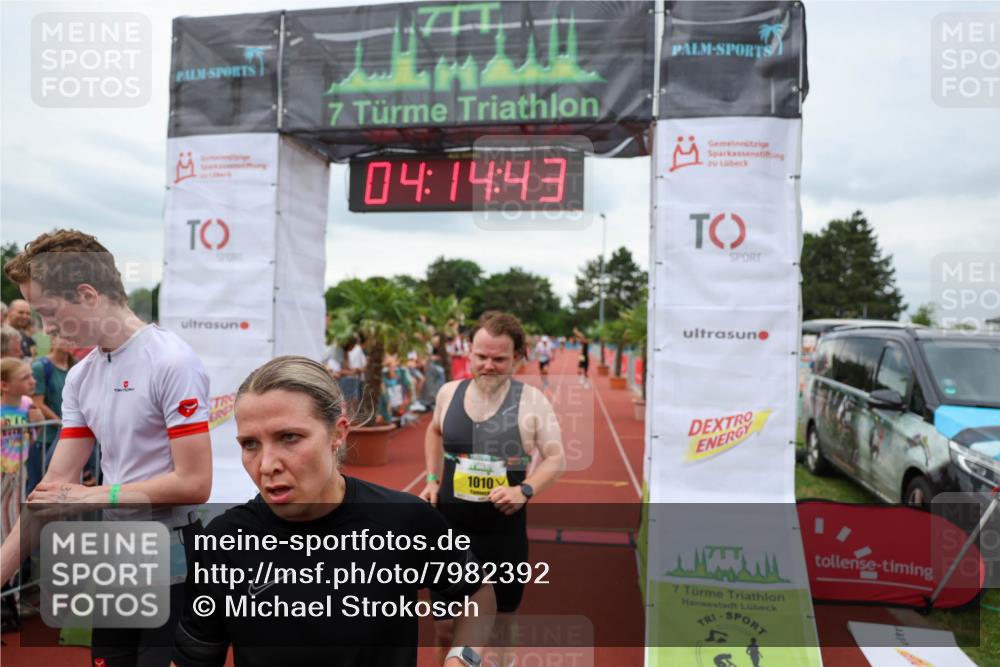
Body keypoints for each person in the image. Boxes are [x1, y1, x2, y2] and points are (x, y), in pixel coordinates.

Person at [171, 356, 495, 667]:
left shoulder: (406, 521)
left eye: (289, 437)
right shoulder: (222, 543)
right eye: (250, 444)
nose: (267, 465)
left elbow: (477, 592)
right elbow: (193, 658)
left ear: (338, 433)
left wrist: (463, 658)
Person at [0, 229, 213, 667]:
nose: (47, 328)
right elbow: (54, 489)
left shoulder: (171, 360)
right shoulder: (82, 376)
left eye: (49, 312)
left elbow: (195, 483)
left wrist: (95, 495)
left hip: (172, 557)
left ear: (87, 294)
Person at [420, 311, 565, 660]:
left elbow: (556, 458)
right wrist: (431, 478)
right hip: (449, 533)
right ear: (468, 352)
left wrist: (525, 490)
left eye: (499, 359)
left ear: (517, 357)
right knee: (444, 630)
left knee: (500, 633)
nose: (488, 365)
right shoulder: (448, 393)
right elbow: (434, 430)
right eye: (481, 356)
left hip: (502, 536)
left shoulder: (532, 402)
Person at [1, 358, 43, 549]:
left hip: (18, 470)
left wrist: (38, 423)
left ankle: (14, 565)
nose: (32, 381)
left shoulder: (27, 404)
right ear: (4, 385)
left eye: (32, 375)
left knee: (14, 513)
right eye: (25, 377)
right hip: (2, 472)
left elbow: (30, 439)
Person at [28, 333, 77, 494]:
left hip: (69, 439)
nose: (68, 341)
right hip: (45, 438)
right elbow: (37, 402)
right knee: (39, 486)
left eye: (71, 338)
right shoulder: (41, 367)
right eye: (63, 337)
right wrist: (61, 422)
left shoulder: (76, 367)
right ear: (53, 339)